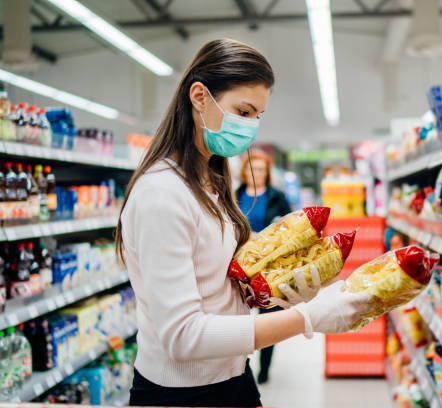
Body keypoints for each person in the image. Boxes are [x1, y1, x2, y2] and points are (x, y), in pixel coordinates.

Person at [115, 39, 373, 408]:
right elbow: (184, 336)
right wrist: (307, 318)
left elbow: (216, 286)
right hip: (181, 395)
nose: (251, 128)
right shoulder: (161, 194)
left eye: (257, 116)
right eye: (243, 111)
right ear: (199, 97)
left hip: (233, 378)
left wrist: (277, 290)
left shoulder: (210, 181)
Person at [236, 151, 291, 384]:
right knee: (239, 316)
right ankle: (240, 365)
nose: (255, 173)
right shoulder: (234, 194)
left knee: (268, 315)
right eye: (251, 169)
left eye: (260, 169)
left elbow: (290, 227)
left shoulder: (277, 196)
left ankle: (264, 368)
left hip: (270, 266)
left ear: (266, 172)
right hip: (240, 265)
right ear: (244, 171)